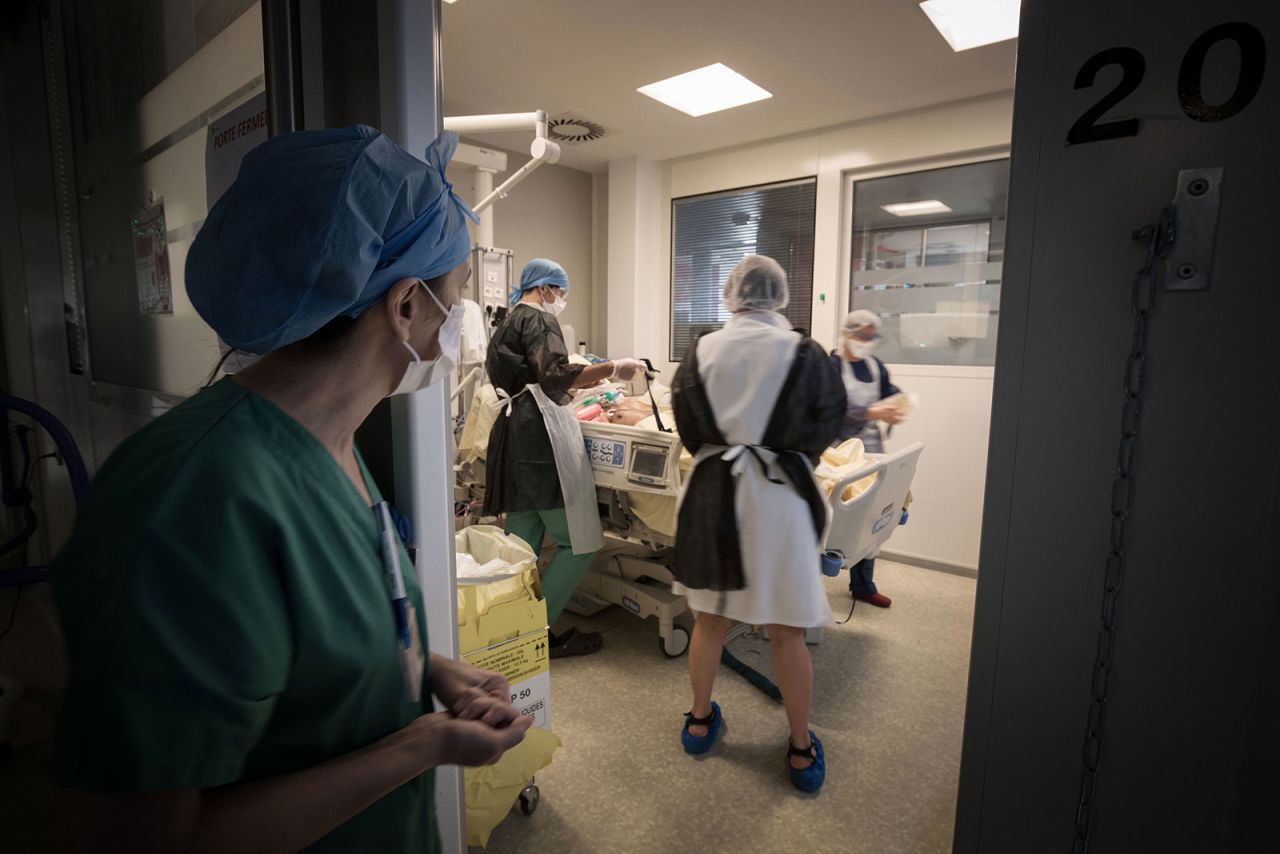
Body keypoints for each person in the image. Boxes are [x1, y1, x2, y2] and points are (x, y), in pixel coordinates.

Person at [50, 127, 532, 854]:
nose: (456, 327)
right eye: (456, 298)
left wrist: (427, 673)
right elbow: (140, 837)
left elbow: (306, 647)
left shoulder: (332, 444)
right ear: (406, 307)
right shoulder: (192, 506)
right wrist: (415, 747)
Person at [670, 255, 845, 793]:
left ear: (731, 293)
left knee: (709, 621)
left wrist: (725, 449)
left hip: (712, 496)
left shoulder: (701, 349)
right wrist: (788, 456)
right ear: (779, 295)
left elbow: (688, 423)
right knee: (787, 631)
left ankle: (700, 720)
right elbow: (827, 420)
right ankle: (798, 747)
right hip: (781, 501)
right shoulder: (806, 353)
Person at [483, 258, 644, 658]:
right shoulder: (538, 319)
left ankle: (510, 630)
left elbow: (536, 375)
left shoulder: (506, 321)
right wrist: (612, 368)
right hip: (539, 436)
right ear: (545, 288)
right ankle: (538, 633)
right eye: (560, 291)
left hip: (514, 434)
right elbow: (554, 376)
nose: (561, 299)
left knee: (521, 547)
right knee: (582, 542)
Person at [833, 309, 903, 608]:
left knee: (874, 516)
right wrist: (871, 412)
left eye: (871, 337)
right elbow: (828, 411)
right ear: (847, 333)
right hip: (839, 454)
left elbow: (889, 393)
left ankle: (863, 584)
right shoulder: (830, 366)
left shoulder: (875, 367)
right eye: (861, 335)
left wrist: (898, 405)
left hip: (872, 451)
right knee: (837, 519)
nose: (866, 342)